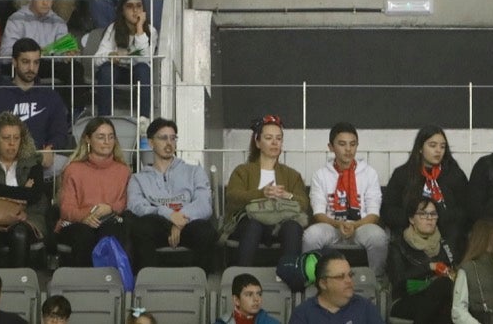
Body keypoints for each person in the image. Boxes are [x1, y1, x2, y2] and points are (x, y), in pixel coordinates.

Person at [225, 117, 309, 283]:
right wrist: (262, 193)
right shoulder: (243, 171)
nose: (274, 143)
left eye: (278, 139)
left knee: (293, 227)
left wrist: (288, 196)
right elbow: (233, 196)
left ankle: (289, 280)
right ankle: (243, 281)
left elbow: (304, 203)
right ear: (257, 142)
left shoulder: (292, 174)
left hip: (280, 222)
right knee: (253, 225)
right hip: (250, 222)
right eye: (268, 138)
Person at [128, 118, 217, 271]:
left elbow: (204, 205)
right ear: (151, 143)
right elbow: (136, 206)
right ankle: (148, 284)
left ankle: (198, 284)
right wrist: (169, 215)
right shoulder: (138, 178)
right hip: (157, 225)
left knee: (206, 230)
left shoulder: (194, 171)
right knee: (140, 226)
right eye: (163, 138)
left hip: (188, 224)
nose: (169, 143)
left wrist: (179, 220)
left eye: (173, 138)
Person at [303, 123, 388, 273]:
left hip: (361, 226)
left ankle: (377, 282)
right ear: (331, 147)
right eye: (342, 144)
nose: (348, 149)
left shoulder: (369, 173)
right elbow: (318, 213)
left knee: (378, 237)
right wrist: (337, 224)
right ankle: (311, 281)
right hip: (331, 226)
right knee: (310, 236)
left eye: (353, 144)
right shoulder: (321, 175)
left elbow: (374, 214)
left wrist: (354, 225)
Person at [0, 115, 50, 271]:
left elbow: (34, 196)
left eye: (16, 138)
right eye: (6, 138)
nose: (12, 143)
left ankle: (19, 284)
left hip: (28, 217)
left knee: (19, 233)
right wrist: (21, 192)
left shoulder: (33, 162)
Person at [0, 39, 74, 174]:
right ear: (14, 62)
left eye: (36, 62)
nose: (31, 68)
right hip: (6, 160)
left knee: (70, 167)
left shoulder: (51, 96)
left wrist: (50, 148)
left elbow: (60, 132)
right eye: (26, 62)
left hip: (41, 158)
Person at [55, 118, 133, 267]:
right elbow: (66, 209)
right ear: (87, 139)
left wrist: (110, 208)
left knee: (110, 230)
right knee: (85, 234)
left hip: (110, 221)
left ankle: (109, 282)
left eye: (111, 137)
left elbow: (126, 201)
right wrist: (85, 217)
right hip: (76, 224)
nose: (107, 142)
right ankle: (85, 284)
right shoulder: (73, 169)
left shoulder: (123, 170)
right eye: (101, 137)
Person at [382, 128, 468, 249]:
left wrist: (440, 218)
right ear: (420, 148)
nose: (438, 150)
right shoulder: (402, 174)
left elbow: (466, 210)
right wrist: (414, 219)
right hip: (410, 233)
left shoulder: (455, 175)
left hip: (447, 234)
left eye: (442, 147)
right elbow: (387, 211)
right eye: (433, 145)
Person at [387, 200, 456, 324]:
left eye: (433, 214)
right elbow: (398, 281)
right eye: (423, 214)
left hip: (438, 298)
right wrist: (430, 267)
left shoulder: (444, 243)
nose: (429, 218)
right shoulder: (398, 245)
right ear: (412, 219)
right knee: (443, 292)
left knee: (446, 303)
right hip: (406, 299)